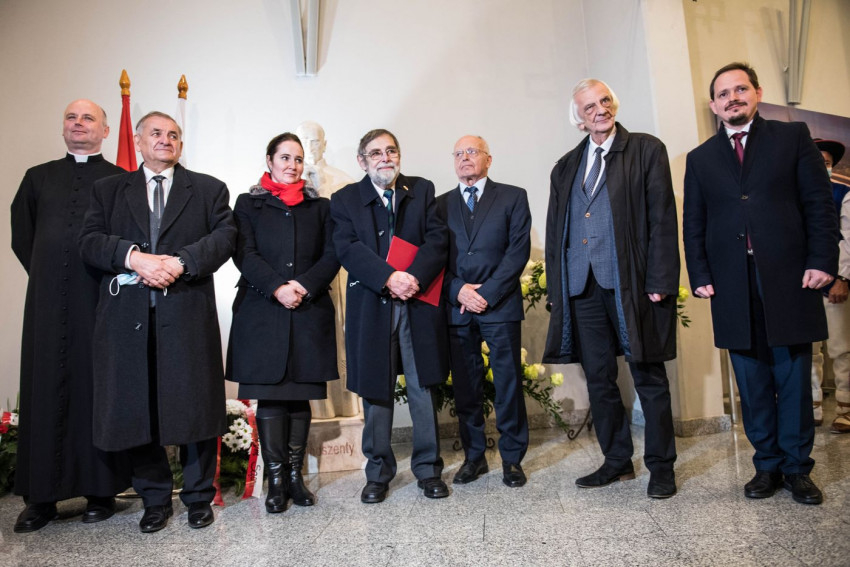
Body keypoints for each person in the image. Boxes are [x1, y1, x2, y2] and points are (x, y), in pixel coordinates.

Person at [683, 63, 837, 505]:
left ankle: (797, 468)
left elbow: (819, 203)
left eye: (740, 89)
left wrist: (822, 260)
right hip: (731, 283)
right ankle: (766, 465)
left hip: (790, 276)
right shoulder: (700, 158)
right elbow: (693, 223)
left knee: (793, 377)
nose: (732, 98)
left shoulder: (792, 138)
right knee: (751, 381)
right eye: (723, 93)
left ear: (757, 93)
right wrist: (700, 275)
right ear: (714, 105)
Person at [79, 111, 236, 531]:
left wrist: (181, 262)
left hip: (186, 315)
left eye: (173, 134)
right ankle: (155, 499)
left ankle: (199, 497)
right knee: (138, 408)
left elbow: (225, 237)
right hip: (126, 322)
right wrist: (134, 258)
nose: (165, 140)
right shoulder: (108, 190)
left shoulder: (209, 189)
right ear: (138, 140)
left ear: (180, 144)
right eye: (156, 133)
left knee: (195, 408)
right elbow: (89, 241)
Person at [543, 79, 679, 499]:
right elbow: (556, 232)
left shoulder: (646, 149)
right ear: (579, 119)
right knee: (599, 379)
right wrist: (557, 290)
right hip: (581, 286)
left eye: (604, 101)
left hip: (630, 281)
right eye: (589, 106)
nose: (599, 110)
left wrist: (660, 279)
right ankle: (617, 461)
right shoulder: (566, 165)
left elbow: (662, 218)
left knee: (648, 374)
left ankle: (661, 467)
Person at [10, 99, 131, 533]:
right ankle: (40, 499)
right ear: (63, 127)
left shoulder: (120, 180)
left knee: (97, 391)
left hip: (99, 301)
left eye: (88, 118)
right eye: (71, 117)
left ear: (105, 130)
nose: (79, 124)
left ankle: (101, 492)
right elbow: (23, 238)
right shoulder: (37, 177)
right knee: (42, 390)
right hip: (46, 305)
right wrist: (50, 275)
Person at [330, 128, 449, 503]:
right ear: (362, 160)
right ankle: (378, 473)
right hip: (372, 306)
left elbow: (437, 239)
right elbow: (347, 247)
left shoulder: (422, 190)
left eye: (391, 151)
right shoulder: (345, 199)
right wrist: (388, 278)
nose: (385, 158)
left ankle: (428, 469)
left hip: (417, 303)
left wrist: (413, 277)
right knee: (375, 391)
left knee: (421, 387)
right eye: (376, 152)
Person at [226, 132, 340, 513]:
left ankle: (295, 478)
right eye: (285, 157)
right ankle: (276, 481)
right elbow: (244, 253)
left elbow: (332, 254)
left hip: (308, 310)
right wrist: (277, 287)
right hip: (262, 311)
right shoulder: (248, 203)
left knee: (299, 394)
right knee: (271, 395)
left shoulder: (320, 207)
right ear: (270, 160)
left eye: (298, 159)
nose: (292, 165)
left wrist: (302, 286)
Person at [436, 135, 531, 487]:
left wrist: (486, 294)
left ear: (488, 159)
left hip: (500, 306)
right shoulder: (439, 205)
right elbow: (434, 258)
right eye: (458, 153)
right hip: (457, 308)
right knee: (465, 387)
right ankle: (474, 457)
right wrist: (458, 290)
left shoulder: (513, 197)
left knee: (508, 384)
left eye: (472, 151)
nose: (465, 158)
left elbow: (517, 252)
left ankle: (512, 460)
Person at [294, 120, 360, 420]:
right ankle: (317, 409)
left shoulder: (343, 180)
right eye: (304, 141)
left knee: (343, 332)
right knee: (311, 336)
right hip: (304, 270)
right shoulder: (285, 181)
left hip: (340, 270)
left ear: (324, 143)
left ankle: (347, 405)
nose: (310, 147)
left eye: (315, 140)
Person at [810, 138, 850, 433]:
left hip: (833, 281)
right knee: (808, 348)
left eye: (826, 162)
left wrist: (842, 278)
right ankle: (811, 405)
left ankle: (846, 407)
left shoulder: (843, 193)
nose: (821, 166)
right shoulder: (793, 194)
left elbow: (848, 238)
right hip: (802, 285)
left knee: (841, 347)